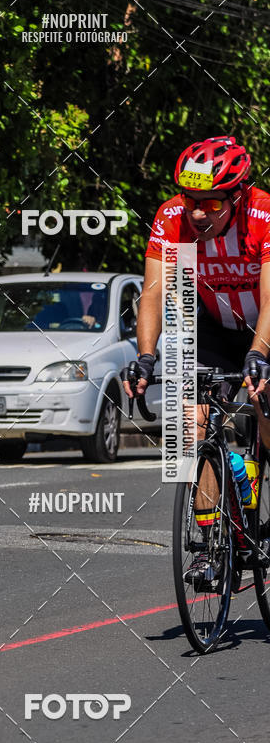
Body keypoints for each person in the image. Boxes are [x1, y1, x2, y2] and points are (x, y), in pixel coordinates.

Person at [123, 135, 270, 585]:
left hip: (264, 326)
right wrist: (146, 356)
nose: (197, 213)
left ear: (238, 195)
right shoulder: (173, 219)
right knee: (190, 426)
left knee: (266, 412)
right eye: (191, 201)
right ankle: (209, 549)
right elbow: (154, 292)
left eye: (210, 203)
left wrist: (259, 355)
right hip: (209, 324)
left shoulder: (262, 215)